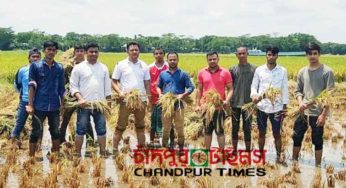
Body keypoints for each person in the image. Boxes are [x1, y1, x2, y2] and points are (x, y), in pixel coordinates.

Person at [292, 42, 335, 168]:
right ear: (306, 55)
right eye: (310, 54)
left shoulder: (327, 72)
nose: (312, 56)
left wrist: (323, 115)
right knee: (296, 137)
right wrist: (300, 103)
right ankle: (294, 162)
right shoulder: (302, 72)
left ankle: (317, 166)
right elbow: (297, 90)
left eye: (315, 53)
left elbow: (329, 95)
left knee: (317, 140)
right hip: (303, 112)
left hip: (318, 113)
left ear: (319, 54)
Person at [70, 42, 111, 157]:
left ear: (98, 53)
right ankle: (77, 153)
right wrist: (80, 99)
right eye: (91, 51)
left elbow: (107, 88)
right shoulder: (78, 68)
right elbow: (73, 86)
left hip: (100, 105)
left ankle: (103, 153)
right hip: (84, 105)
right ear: (86, 53)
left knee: (102, 129)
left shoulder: (103, 68)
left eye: (96, 52)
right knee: (81, 129)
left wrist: (108, 104)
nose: (93, 54)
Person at [250, 45, 288, 165]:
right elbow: (254, 85)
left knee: (277, 133)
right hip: (262, 106)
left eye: (273, 55)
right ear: (266, 55)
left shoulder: (282, 71)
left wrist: (285, 106)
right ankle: (260, 155)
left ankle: (278, 156)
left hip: (276, 107)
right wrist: (254, 96)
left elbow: (285, 89)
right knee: (261, 132)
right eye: (269, 54)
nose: (271, 57)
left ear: (277, 56)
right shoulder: (259, 70)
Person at [26, 41, 65, 157]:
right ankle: (31, 158)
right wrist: (30, 104)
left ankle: (55, 156)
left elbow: (61, 89)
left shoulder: (59, 68)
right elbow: (32, 85)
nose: (51, 52)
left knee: (55, 131)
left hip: (54, 105)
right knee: (36, 131)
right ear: (44, 51)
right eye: (49, 49)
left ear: (56, 52)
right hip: (39, 105)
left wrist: (62, 105)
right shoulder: (35, 66)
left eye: (53, 50)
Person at [112, 42, 151, 156]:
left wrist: (148, 98)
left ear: (139, 51)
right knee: (120, 126)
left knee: (140, 125)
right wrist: (120, 92)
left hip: (140, 99)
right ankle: (114, 150)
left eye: (136, 50)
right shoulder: (121, 64)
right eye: (132, 50)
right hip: (127, 99)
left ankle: (141, 150)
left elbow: (147, 83)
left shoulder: (144, 65)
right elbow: (114, 81)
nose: (134, 52)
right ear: (127, 51)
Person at [157, 52, 194, 155]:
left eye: (174, 59)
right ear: (167, 60)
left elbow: (191, 87)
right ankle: (165, 148)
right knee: (166, 128)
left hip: (178, 104)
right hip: (166, 104)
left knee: (180, 127)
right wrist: (160, 94)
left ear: (178, 60)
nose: (172, 61)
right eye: (170, 59)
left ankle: (181, 148)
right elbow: (158, 86)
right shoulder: (163, 74)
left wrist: (183, 95)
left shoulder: (183, 74)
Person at [196, 51, 233, 152]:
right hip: (206, 107)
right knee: (207, 131)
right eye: (210, 59)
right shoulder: (202, 72)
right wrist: (197, 104)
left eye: (214, 59)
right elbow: (199, 89)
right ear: (207, 60)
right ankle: (207, 152)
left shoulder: (225, 72)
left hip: (219, 107)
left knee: (220, 131)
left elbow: (230, 89)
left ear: (218, 59)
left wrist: (226, 100)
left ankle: (221, 152)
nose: (212, 61)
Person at [59, 45, 94, 144]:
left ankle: (90, 141)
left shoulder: (89, 66)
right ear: (74, 53)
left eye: (81, 51)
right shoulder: (68, 67)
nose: (79, 53)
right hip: (70, 96)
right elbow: (64, 82)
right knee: (65, 118)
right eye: (77, 51)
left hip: (85, 96)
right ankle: (61, 139)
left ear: (85, 53)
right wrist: (63, 97)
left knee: (86, 120)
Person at [11, 48, 41, 147]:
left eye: (37, 57)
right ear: (29, 58)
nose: (35, 58)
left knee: (38, 124)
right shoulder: (22, 70)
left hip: (40, 102)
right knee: (19, 123)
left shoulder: (44, 70)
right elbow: (17, 84)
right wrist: (23, 94)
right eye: (33, 57)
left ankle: (37, 146)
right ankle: (14, 145)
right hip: (25, 101)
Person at [230, 47, 256, 153]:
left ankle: (248, 150)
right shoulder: (232, 69)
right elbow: (229, 87)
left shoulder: (254, 69)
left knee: (247, 128)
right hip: (235, 103)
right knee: (234, 127)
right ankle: (234, 150)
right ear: (236, 55)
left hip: (248, 103)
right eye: (239, 53)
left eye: (243, 53)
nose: (241, 55)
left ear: (247, 54)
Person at [148, 47, 168, 146]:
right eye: (156, 53)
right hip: (153, 97)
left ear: (164, 54)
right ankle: (152, 141)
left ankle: (164, 141)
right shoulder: (150, 67)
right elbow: (148, 82)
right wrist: (149, 97)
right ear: (154, 55)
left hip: (167, 98)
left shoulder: (168, 66)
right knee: (153, 119)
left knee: (164, 119)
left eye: (160, 53)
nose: (158, 55)